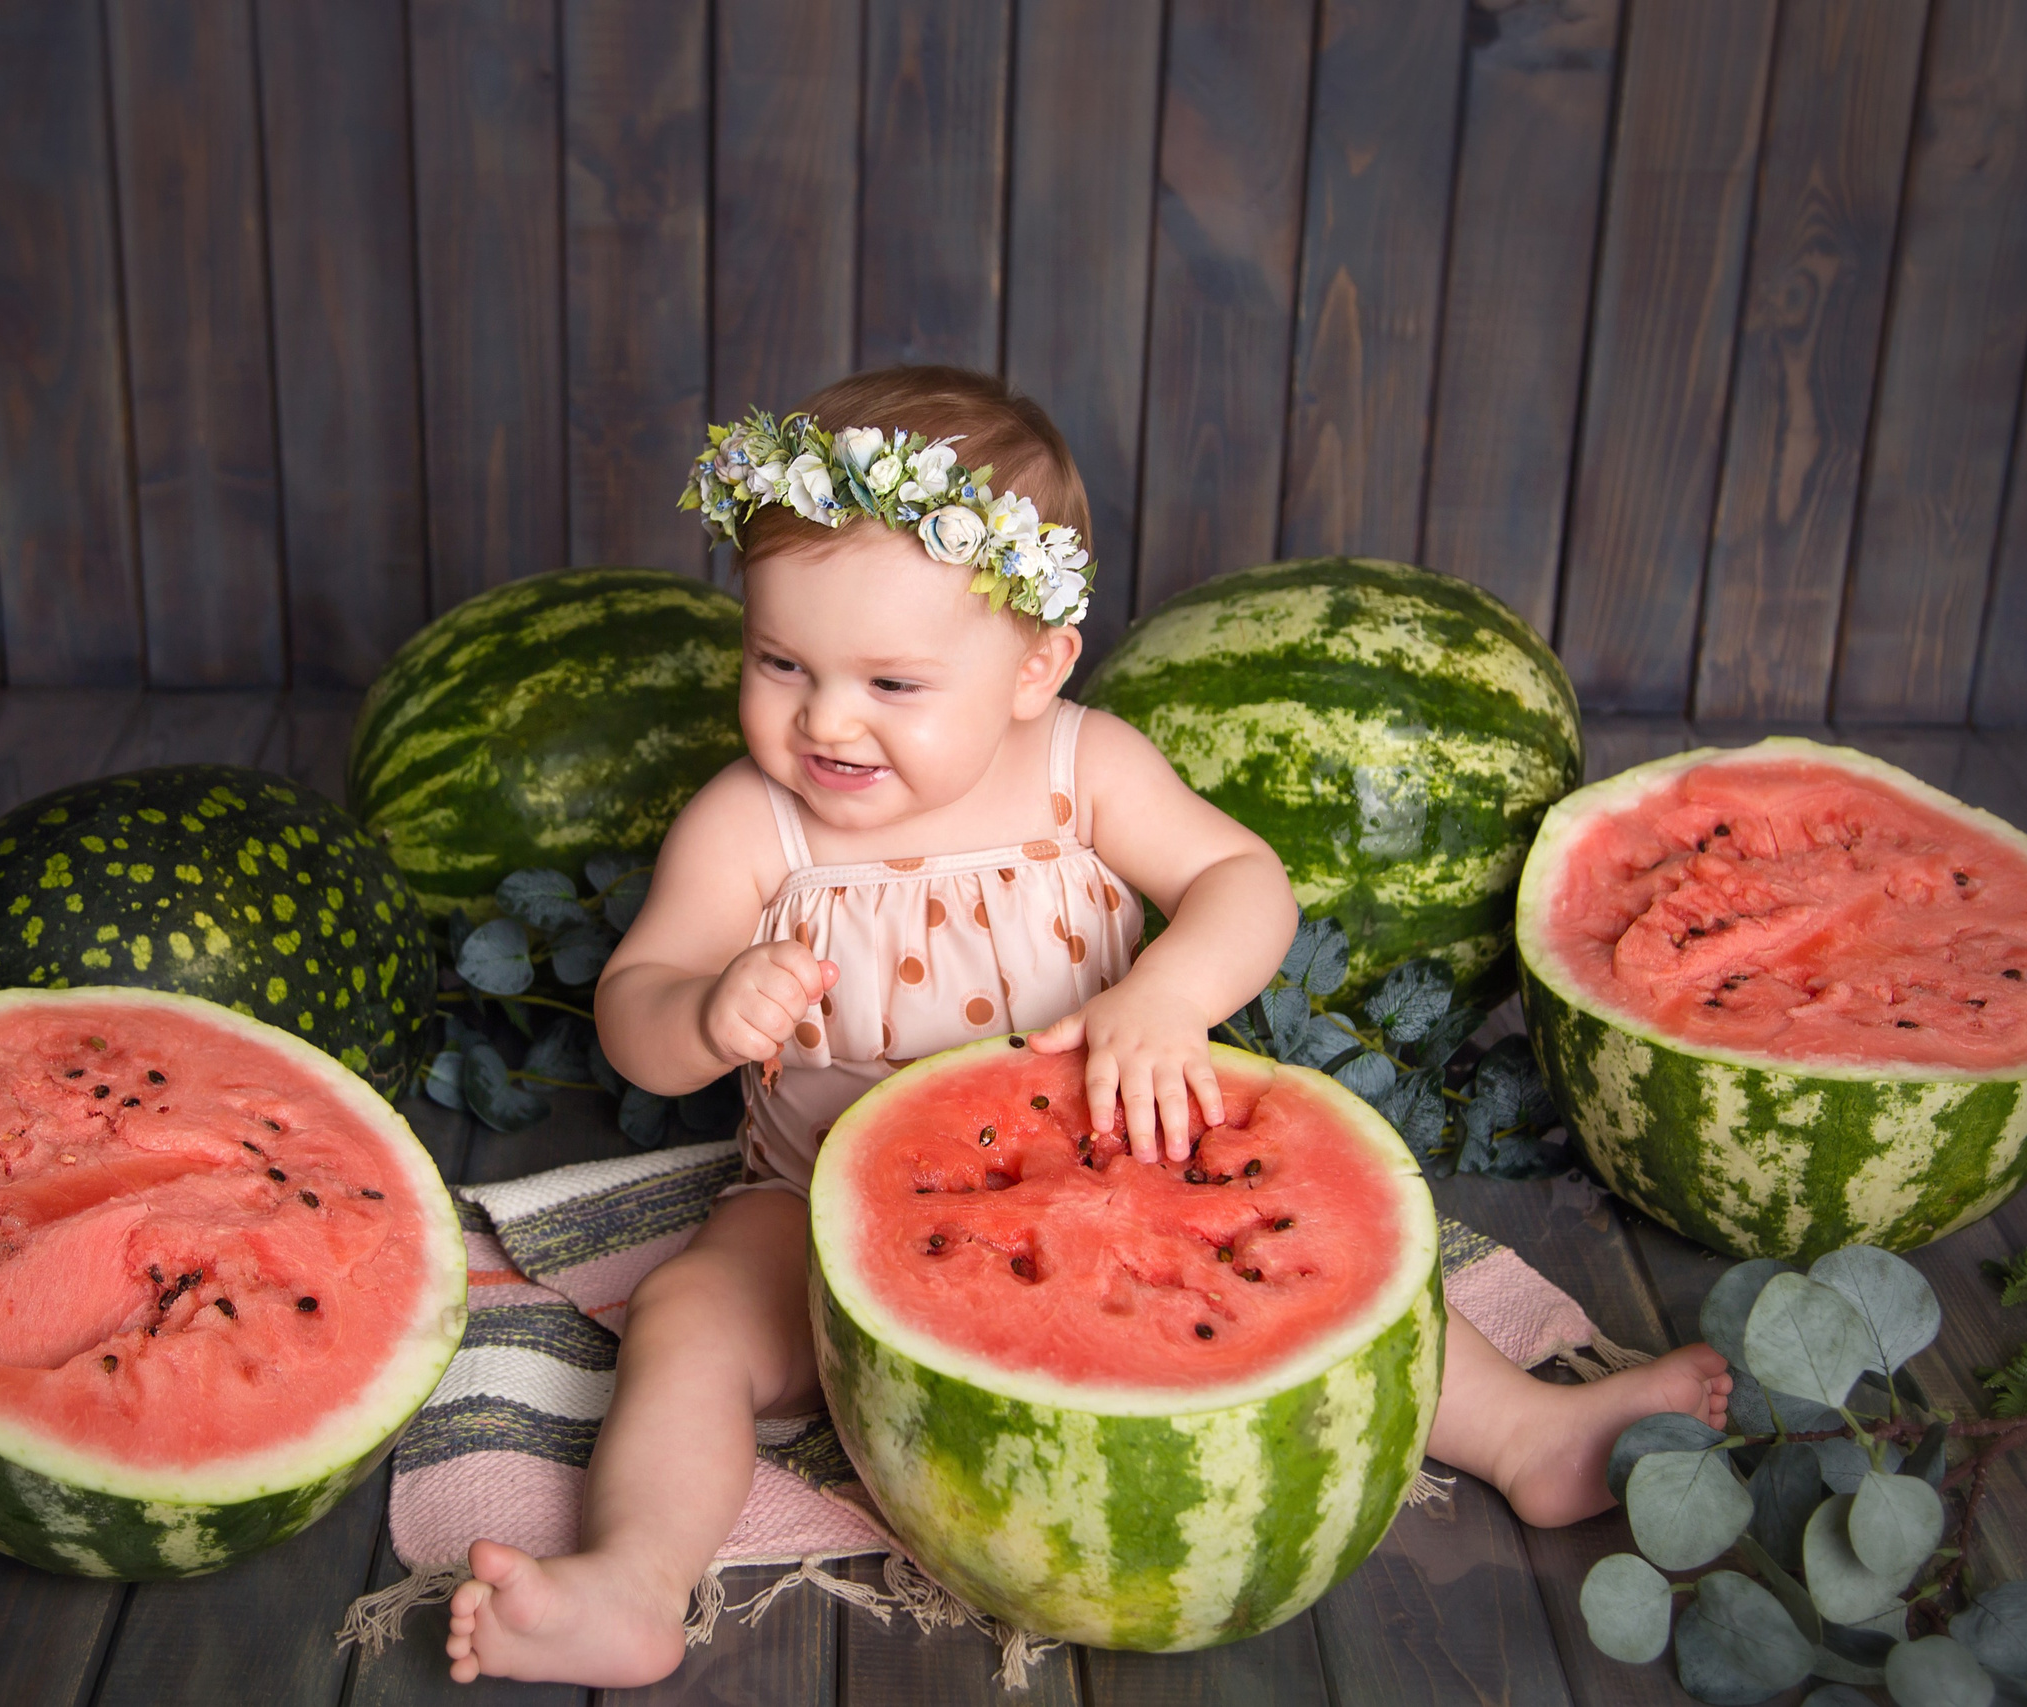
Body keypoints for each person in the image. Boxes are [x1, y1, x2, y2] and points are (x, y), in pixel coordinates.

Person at [445, 366, 1730, 1686]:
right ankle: (636, 1579)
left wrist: (1166, 997)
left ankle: (1531, 1437)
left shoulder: (1085, 767)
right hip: (820, 1202)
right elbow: (630, 1018)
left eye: (892, 682)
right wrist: (705, 1011)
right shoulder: (748, 824)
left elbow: (1247, 885)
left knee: (1311, 1296)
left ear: (1035, 668)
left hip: (1116, 1158)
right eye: (780, 662)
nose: (825, 718)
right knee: (689, 1319)